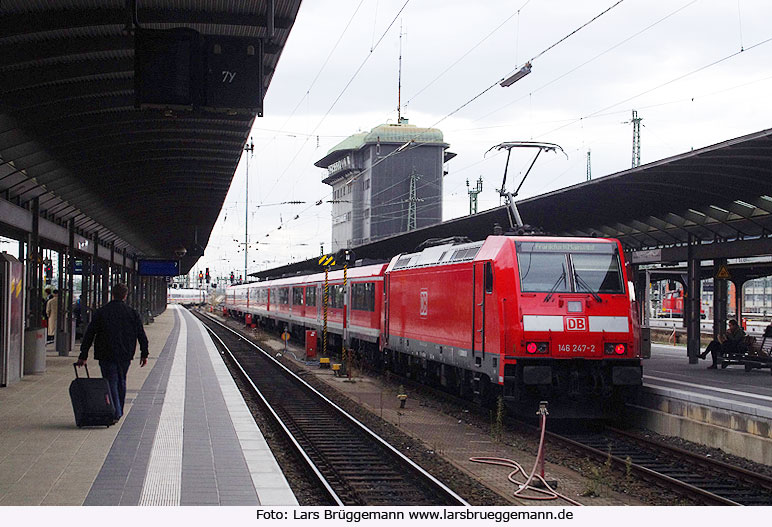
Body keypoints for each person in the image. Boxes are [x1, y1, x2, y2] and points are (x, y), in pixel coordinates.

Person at [76, 283, 148, 421]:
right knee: (121, 381)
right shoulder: (132, 313)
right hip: (125, 354)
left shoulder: (102, 312)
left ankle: (115, 411)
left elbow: (89, 334)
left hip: (106, 353)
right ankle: (118, 409)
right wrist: (144, 353)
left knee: (110, 381)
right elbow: (141, 334)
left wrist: (83, 355)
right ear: (125, 296)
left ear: (112, 294)